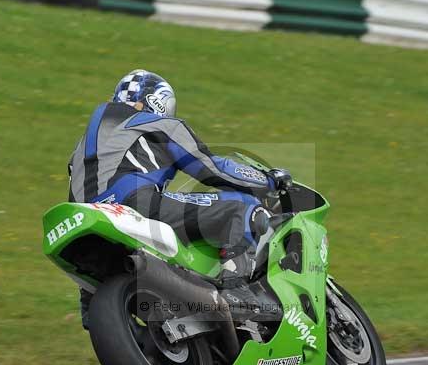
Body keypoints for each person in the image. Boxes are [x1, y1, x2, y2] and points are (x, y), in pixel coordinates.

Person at [67, 69, 292, 293]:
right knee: (242, 208)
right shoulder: (158, 124)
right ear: (156, 101)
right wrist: (267, 180)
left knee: (94, 276)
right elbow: (212, 168)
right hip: (133, 204)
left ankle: (93, 307)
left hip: (81, 221)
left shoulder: (83, 145)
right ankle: (237, 290)